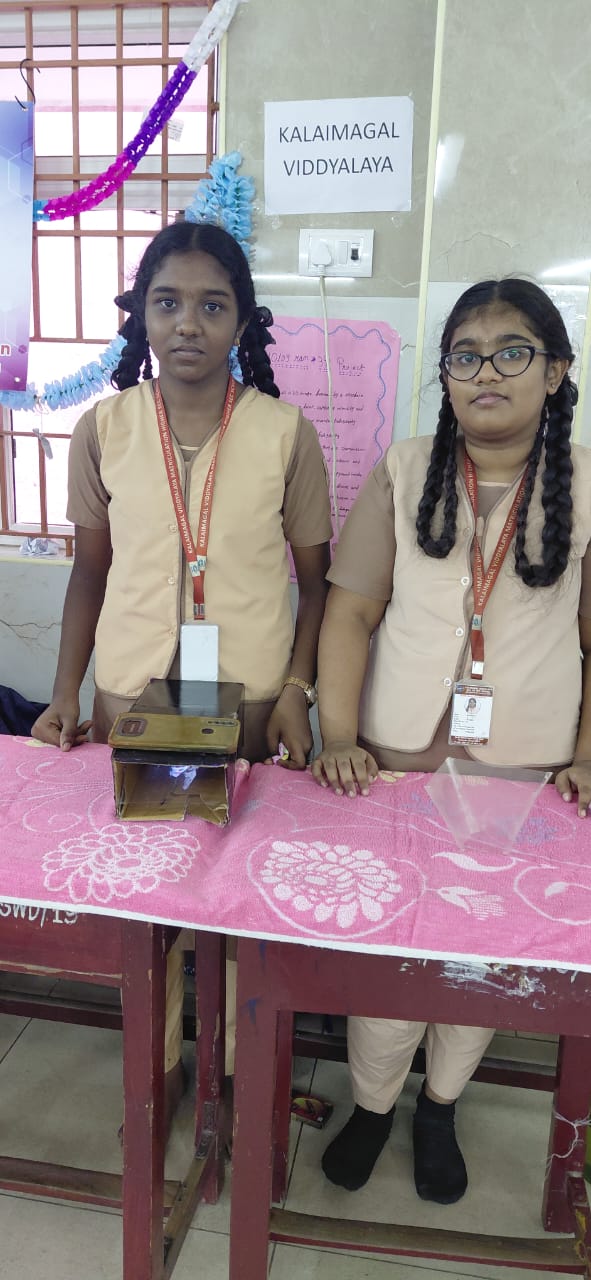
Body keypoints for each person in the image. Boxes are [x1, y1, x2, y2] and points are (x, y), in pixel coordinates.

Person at [32, 219, 332, 1132]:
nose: (188, 324)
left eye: (212, 305)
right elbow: (89, 571)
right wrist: (65, 694)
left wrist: (296, 693)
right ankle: (161, 1070)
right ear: (139, 317)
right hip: (135, 698)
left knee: (238, 897)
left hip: (244, 705)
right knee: (152, 895)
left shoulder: (285, 433)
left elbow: (317, 587)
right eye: (167, 303)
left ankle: (238, 1077)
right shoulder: (106, 427)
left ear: (243, 320)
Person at [311, 278, 591, 1204]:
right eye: (464, 354)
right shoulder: (404, 466)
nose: (486, 372)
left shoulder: (585, 483)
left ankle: (440, 1103)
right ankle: (375, 1102)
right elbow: (349, 612)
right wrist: (338, 735)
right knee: (390, 951)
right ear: (444, 374)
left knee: (477, 953)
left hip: (519, 768)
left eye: (513, 352)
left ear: (554, 372)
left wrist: (586, 756)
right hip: (394, 760)